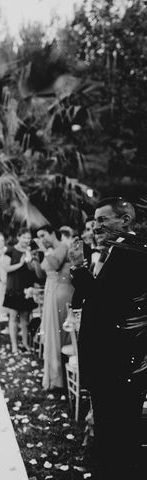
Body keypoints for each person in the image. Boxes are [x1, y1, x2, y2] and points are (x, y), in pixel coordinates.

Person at [70, 197, 147, 479]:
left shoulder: (132, 252)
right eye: (95, 220)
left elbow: (105, 301)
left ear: (125, 220)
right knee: (111, 434)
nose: (96, 225)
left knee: (118, 437)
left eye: (103, 219)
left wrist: (79, 267)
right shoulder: (116, 250)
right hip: (111, 361)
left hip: (118, 362)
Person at [34, 225, 74, 390]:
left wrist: (44, 250)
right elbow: (41, 273)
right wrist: (36, 260)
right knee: (52, 331)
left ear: (52, 233)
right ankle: (54, 376)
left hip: (60, 290)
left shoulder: (62, 247)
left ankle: (60, 376)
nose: (42, 239)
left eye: (43, 235)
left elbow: (56, 265)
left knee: (59, 331)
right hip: (50, 289)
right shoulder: (51, 249)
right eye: (39, 236)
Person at [2, 228, 37, 354]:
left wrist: (30, 259)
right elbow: (6, 268)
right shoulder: (10, 251)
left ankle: (25, 344)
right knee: (13, 317)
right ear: (18, 237)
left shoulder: (30, 251)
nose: (27, 240)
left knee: (25, 318)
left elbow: (33, 270)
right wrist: (20, 264)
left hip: (27, 287)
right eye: (24, 237)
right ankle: (14, 345)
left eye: (29, 238)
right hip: (14, 287)